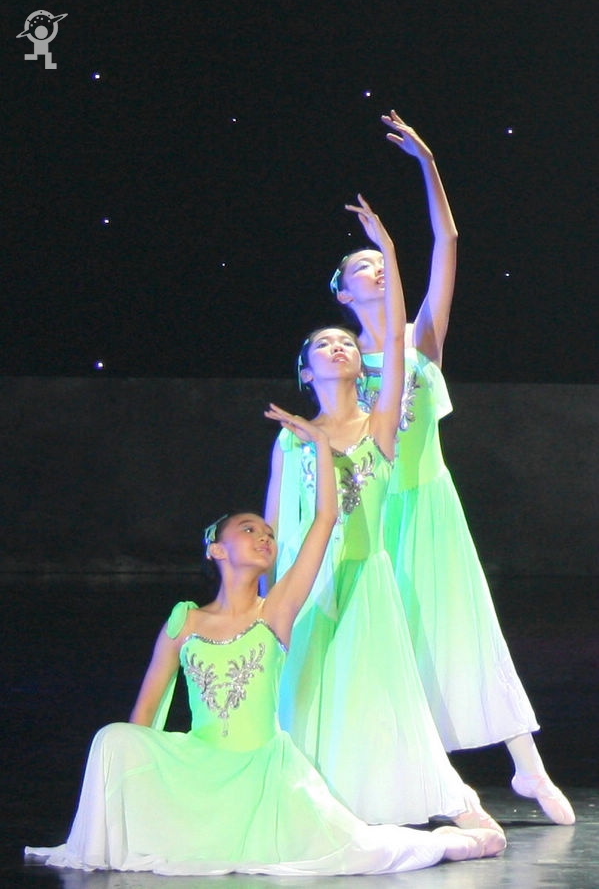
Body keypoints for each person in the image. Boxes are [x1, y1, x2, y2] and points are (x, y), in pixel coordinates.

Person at [24, 406, 505, 876]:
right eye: (248, 530)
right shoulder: (185, 621)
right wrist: (142, 783)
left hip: (262, 773)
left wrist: (321, 445)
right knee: (113, 739)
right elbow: (145, 717)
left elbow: (324, 520)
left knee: (362, 851)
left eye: (269, 533)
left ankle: (456, 843)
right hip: (204, 764)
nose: (264, 537)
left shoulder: (275, 609)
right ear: (216, 550)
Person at [328, 109, 574, 826]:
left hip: (430, 504)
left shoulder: (420, 341)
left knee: (465, 628)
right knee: (393, 643)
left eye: (378, 261)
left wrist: (427, 164)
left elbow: (448, 241)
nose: (373, 268)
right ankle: (431, 783)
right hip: (374, 514)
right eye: (360, 266)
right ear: (342, 294)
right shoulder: (341, 360)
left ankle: (527, 766)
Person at [265, 194, 503, 832]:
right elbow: (273, 530)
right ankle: (315, 795)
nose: (339, 347)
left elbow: (398, 340)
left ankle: (428, 793)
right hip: (307, 585)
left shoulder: (379, 428)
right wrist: (265, 605)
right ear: (304, 370)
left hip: (367, 574)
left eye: (345, 342)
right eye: (324, 343)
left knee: (377, 687)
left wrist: (390, 249)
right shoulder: (291, 440)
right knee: (309, 692)